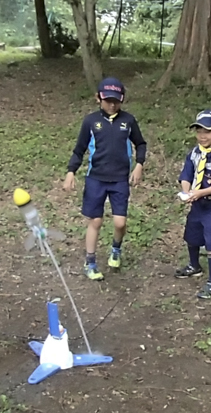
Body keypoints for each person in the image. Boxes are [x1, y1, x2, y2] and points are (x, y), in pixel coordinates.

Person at [63, 77, 147, 280]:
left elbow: (141, 143)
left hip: (119, 179)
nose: (112, 104)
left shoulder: (128, 121)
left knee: (120, 222)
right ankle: (90, 262)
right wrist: (70, 171)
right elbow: (80, 149)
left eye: (116, 100)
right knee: (96, 221)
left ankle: (116, 249)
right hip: (96, 179)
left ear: (122, 99)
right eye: (108, 100)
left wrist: (139, 165)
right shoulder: (91, 121)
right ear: (98, 98)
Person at [175, 110, 211, 299]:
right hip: (198, 204)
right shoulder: (194, 153)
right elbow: (187, 174)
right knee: (191, 235)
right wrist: (187, 191)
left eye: (207, 131)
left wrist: (200, 192)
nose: (202, 136)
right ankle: (194, 265)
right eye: (199, 131)